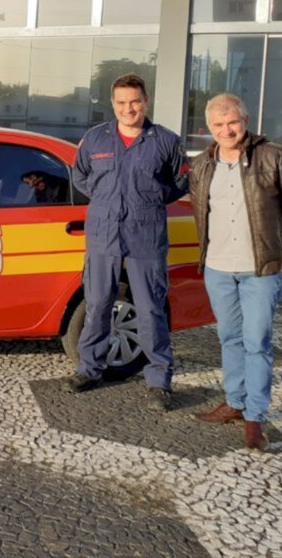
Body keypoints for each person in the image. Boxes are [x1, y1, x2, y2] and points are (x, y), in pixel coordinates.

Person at [188, 93, 282, 451]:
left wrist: (273, 241)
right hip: (218, 269)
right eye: (219, 125)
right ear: (209, 128)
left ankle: (255, 416)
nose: (227, 130)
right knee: (229, 339)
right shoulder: (202, 166)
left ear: (246, 120)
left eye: (233, 122)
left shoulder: (273, 157)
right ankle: (234, 402)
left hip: (259, 270)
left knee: (257, 343)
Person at [68, 73, 187, 411]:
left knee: (150, 308)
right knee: (98, 303)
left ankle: (159, 381)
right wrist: (106, 199)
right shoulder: (95, 139)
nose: (128, 108)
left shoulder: (164, 140)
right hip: (103, 234)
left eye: (134, 101)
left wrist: (150, 199)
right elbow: (80, 175)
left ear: (145, 100)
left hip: (146, 234)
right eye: (121, 102)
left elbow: (180, 181)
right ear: (113, 103)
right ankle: (90, 369)